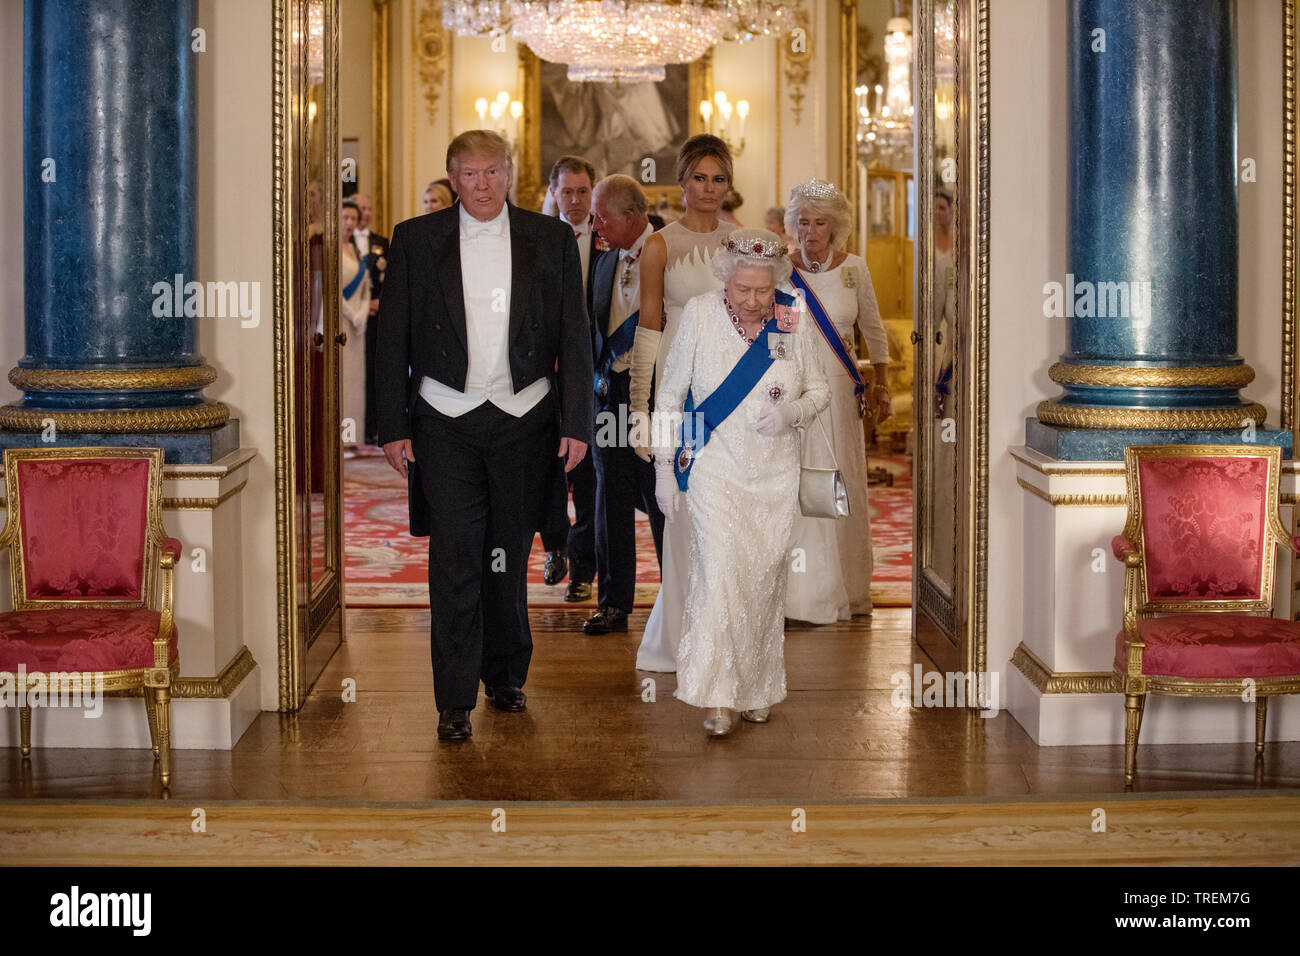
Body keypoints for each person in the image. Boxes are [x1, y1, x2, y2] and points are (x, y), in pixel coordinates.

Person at [375, 129, 592, 742]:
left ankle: (505, 676)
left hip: (526, 418)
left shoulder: (549, 238)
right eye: (469, 174)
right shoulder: (417, 239)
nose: (482, 185)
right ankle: (452, 700)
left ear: (510, 174)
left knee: (508, 553)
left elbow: (574, 337)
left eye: (493, 172)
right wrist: (393, 426)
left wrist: (577, 422)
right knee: (455, 558)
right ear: (452, 178)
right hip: (445, 420)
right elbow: (393, 340)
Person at [652, 228, 829, 736]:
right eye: (742, 290)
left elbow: (819, 390)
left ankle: (757, 686)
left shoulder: (791, 314)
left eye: (762, 291)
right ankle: (718, 697)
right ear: (725, 281)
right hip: (714, 469)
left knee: (763, 581)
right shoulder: (702, 315)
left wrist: (792, 411)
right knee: (720, 578)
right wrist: (665, 467)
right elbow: (669, 396)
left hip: (775, 472)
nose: (753, 302)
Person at [628, 133, 736, 673]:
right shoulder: (659, 245)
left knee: (726, 511)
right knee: (683, 509)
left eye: (719, 179)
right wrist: (641, 409)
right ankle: (682, 631)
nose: (709, 188)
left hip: (730, 391)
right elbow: (649, 328)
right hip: (679, 387)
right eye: (700, 177)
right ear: (682, 181)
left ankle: (724, 630)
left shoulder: (746, 243)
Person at [783, 179, 891, 623]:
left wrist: (881, 382)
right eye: (803, 221)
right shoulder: (781, 270)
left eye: (819, 222)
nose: (810, 231)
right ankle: (798, 594)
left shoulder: (855, 269)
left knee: (842, 484)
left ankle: (847, 589)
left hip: (843, 395)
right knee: (798, 486)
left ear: (836, 226)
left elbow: (874, 328)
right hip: (795, 392)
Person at [583, 174, 666, 636]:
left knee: (660, 496)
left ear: (632, 217)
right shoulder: (602, 261)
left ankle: (674, 600)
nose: (596, 223)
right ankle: (613, 602)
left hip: (656, 393)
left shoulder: (668, 253)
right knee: (608, 496)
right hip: (609, 396)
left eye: (602, 216)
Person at [538, 155, 601, 601]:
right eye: (568, 192)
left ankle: (583, 570)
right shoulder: (537, 240)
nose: (576, 201)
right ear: (553, 193)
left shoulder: (609, 242)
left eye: (583, 192)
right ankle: (555, 547)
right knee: (549, 472)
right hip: (546, 377)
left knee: (591, 477)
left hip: (597, 374)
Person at [352, 192, 388, 446]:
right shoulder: (341, 240)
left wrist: (380, 303)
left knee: (376, 369)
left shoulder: (382, 242)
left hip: (377, 316)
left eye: (368, 208)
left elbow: (393, 279)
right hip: (351, 317)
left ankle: (373, 425)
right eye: (359, 209)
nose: (364, 213)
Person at [340, 199, 370, 445]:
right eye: (345, 218)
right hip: (340, 322)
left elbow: (366, 286)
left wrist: (362, 313)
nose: (349, 224)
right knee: (341, 379)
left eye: (353, 219)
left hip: (358, 326)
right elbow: (329, 291)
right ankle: (340, 437)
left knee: (355, 380)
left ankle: (354, 437)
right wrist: (352, 313)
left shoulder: (356, 250)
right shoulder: (331, 250)